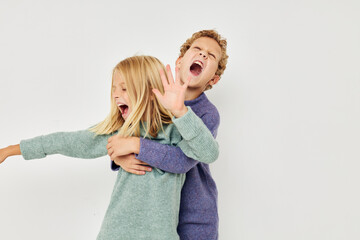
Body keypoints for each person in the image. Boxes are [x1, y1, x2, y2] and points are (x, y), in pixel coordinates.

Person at [0, 55, 219, 240]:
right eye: (114, 88)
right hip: (115, 233)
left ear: (148, 91)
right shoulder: (120, 132)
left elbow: (207, 153)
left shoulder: (177, 131)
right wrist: (11, 150)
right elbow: (67, 142)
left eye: (124, 88)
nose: (116, 95)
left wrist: (180, 112)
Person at [107, 30, 229, 240]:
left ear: (214, 79)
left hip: (193, 219)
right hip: (155, 217)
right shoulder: (152, 99)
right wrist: (119, 156)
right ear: (180, 61)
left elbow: (181, 160)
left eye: (211, 56)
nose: (202, 55)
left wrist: (136, 145)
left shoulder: (207, 114)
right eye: (197, 49)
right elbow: (121, 134)